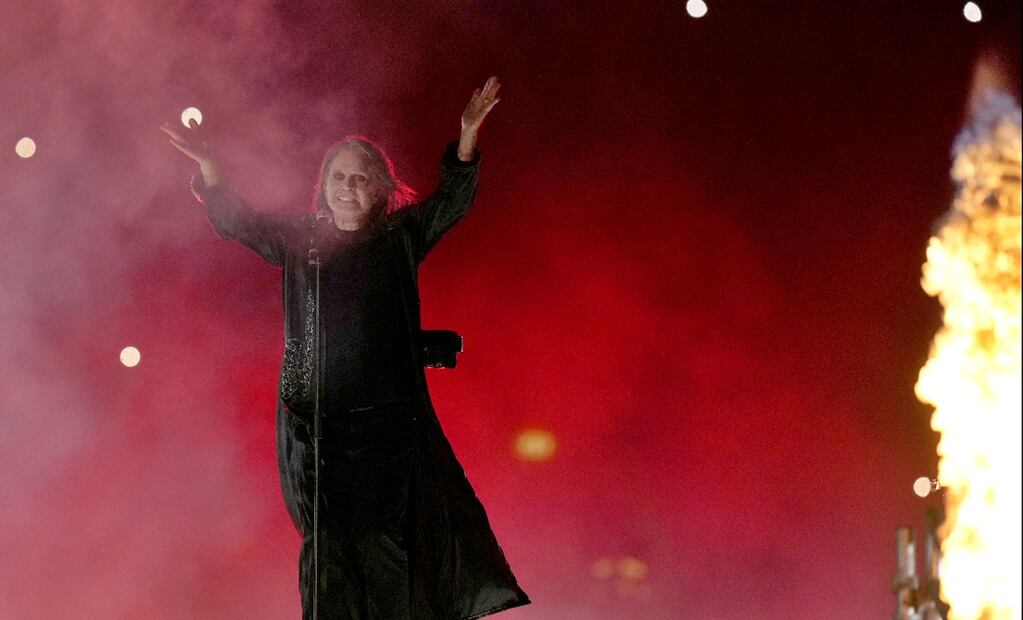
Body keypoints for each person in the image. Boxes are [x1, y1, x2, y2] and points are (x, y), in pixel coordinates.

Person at [162, 77, 529, 619]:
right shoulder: (299, 241)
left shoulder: (399, 237)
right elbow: (237, 221)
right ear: (324, 185)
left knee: (382, 545)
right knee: (327, 551)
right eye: (338, 177)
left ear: (378, 188)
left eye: (359, 178)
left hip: (385, 430)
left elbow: (452, 200)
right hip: (316, 428)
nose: (347, 187)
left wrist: (467, 137)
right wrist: (213, 171)